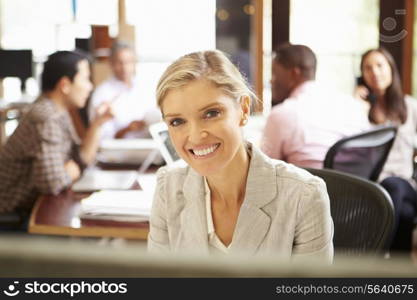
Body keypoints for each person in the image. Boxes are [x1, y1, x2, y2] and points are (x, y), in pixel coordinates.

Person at [147, 50, 334, 261]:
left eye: (211, 113)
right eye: (177, 122)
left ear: (243, 110)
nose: (196, 136)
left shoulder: (304, 196)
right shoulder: (168, 188)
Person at [0, 50, 113, 220]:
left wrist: (97, 124)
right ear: (65, 85)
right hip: (14, 217)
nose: (90, 86)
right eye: (85, 78)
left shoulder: (59, 111)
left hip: (33, 208)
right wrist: (71, 170)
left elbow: (80, 159)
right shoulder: (46, 117)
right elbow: (51, 184)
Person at [261, 44, 370, 168]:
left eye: (274, 74)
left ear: (294, 74)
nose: (271, 81)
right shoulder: (352, 104)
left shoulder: (281, 114)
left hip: (311, 186)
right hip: (360, 186)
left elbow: (265, 169)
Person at [356, 47, 417, 253]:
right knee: (406, 214)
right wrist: (355, 106)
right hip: (371, 187)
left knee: (393, 186)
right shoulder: (359, 109)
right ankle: (398, 275)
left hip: (404, 184)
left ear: (391, 69)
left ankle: (376, 254)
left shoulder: (410, 107)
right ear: (362, 75)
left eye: (380, 65)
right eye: (368, 68)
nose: (374, 72)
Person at [88, 40, 160, 139]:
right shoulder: (102, 93)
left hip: (149, 145)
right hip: (117, 152)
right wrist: (127, 129)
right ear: (111, 63)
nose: (125, 67)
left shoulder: (146, 87)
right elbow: (102, 138)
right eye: (120, 62)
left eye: (129, 62)